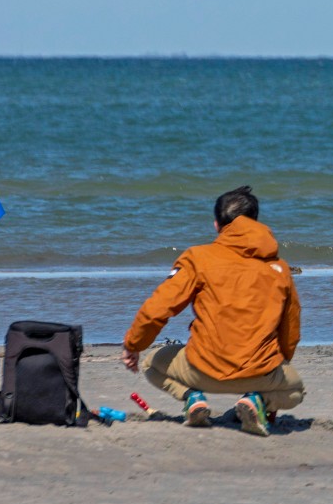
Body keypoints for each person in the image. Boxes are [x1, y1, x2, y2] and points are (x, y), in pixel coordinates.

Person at [120, 186, 304, 437]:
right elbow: (290, 330)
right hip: (259, 374)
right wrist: (276, 363)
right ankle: (256, 400)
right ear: (255, 223)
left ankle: (192, 398)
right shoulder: (278, 268)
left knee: (152, 364)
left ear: (217, 225)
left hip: (201, 370)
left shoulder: (198, 257)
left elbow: (158, 308)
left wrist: (133, 345)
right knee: (295, 390)